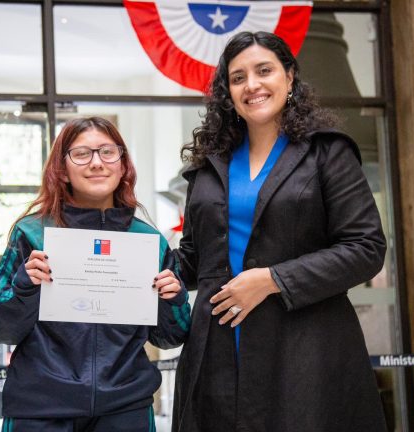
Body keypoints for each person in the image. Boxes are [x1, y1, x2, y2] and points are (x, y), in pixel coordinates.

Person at [172, 31, 388, 431]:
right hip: (217, 351)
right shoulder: (209, 164)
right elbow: (191, 258)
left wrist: (273, 279)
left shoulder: (328, 152)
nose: (252, 85)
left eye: (264, 71)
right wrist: (133, 262)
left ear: (289, 77)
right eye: (238, 78)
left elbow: (366, 248)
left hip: (303, 351)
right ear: (228, 92)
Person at [0, 117, 191, 432]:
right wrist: (24, 289)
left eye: (108, 152)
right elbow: (1, 330)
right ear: (62, 170)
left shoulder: (148, 240)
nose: (96, 163)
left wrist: (172, 299)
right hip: (41, 408)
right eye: (81, 154)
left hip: (124, 408)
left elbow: (170, 337)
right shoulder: (32, 233)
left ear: (123, 165)